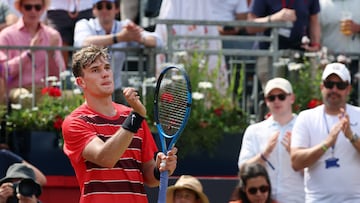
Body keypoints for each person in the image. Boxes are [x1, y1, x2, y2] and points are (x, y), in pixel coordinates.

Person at [62, 45, 178, 202]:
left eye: (107, 68)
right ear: (81, 82)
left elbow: (150, 178)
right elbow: (105, 158)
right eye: (95, 70)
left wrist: (161, 169)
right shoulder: (75, 122)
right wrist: (135, 118)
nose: (105, 74)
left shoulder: (132, 116)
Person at [291, 62, 360, 202]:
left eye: (340, 85)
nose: (334, 89)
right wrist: (326, 144)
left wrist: (352, 137)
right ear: (322, 87)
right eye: (329, 84)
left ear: (348, 89)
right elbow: (296, 162)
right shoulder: (306, 117)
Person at [73, 0, 163, 104]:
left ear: (116, 9)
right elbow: (83, 43)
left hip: (114, 90)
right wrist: (119, 38)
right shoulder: (84, 24)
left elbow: (158, 41)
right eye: (100, 6)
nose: (104, 10)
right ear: (94, 10)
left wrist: (138, 37)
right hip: (86, 91)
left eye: (108, 6)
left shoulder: (124, 26)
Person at [238, 77, 304, 203]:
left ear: (292, 98)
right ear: (266, 101)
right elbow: (243, 170)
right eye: (271, 98)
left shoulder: (304, 127)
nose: (276, 101)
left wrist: (294, 155)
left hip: (298, 198)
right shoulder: (254, 131)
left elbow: (315, 172)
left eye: (281, 96)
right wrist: (264, 154)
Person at [0, 0, 65, 103]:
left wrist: (51, 53)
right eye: (28, 7)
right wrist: (29, 54)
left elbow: (59, 74)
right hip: (17, 89)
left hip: (44, 90)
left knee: (69, 98)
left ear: (43, 9)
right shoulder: (6, 35)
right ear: (20, 8)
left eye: (37, 7)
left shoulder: (52, 35)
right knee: (24, 97)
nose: (33, 11)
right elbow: (5, 71)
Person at [246, 0, 321, 88]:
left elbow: (314, 20)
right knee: (275, 93)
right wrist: (274, 18)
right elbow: (250, 26)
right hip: (269, 54)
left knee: (300, 93)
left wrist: (315, 44)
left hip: (299, 54)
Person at [319, 0, 360, 105]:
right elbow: (314, 31)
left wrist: (358, 28)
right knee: (329, 101)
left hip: (356, 62)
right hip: (328, 61)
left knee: (355, 101)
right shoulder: (322, 4)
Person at [46, 0, 94, 65]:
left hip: (85, 7)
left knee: (86, 49)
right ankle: (62, 74)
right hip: (57, 9)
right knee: (59, 46)